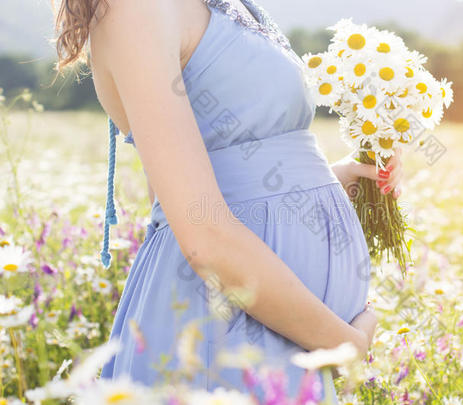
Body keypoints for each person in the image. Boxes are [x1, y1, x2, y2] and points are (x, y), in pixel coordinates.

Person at [53, 0, 403, 400]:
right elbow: (202, 234)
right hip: (226, 327)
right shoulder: (134, 10)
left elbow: (230, 161)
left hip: (282, 330)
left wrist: (321, 179)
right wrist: (346, 345)